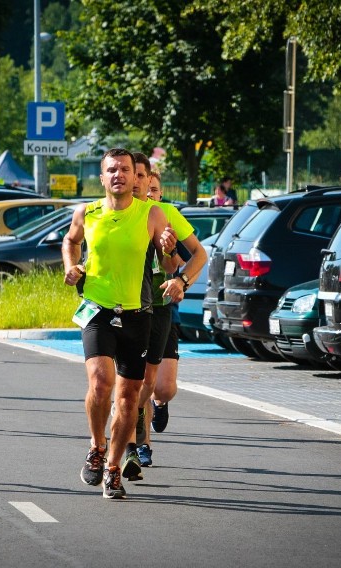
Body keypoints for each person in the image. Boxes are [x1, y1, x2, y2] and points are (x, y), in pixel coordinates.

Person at [62, 148, 186, 499]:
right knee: (101, 383)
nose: (118, 175)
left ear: (136, 178)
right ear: (102, 177)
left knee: (129, 397)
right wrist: (71, 266)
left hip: (138, 314)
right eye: (111, 170)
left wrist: (167, 246)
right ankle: (96, 447)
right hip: (98, 311)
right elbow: (71, 241)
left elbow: (169, 261)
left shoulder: (151, 213)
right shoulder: (87, 213)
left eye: (125, 170)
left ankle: (113, 467)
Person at [129, 159, 206, 471]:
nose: (134, 181)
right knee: (126, 382)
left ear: (150, 183)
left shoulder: (166, 215)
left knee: (160, 387)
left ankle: (150, 414)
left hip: (159, 307)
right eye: (127, 173)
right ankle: (140, 442)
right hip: (121, 308)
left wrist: (179, 277)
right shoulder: (108, 213)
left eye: (141, 175)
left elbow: (192, 258)